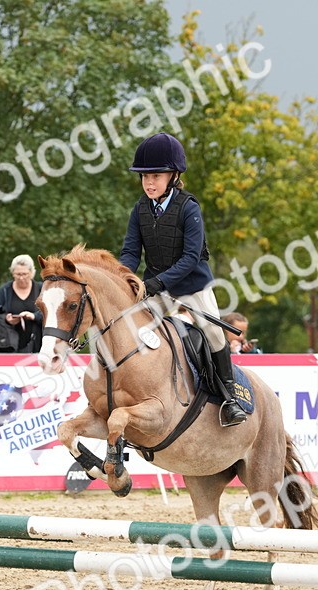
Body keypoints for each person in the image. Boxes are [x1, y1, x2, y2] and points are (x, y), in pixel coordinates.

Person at [118, 131, 246, 426]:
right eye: (145, 176)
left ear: (173, 176)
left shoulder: (189, 208)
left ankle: (229, 398)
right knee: (132, 329)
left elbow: (190, 258)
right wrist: (125, 278)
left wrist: (157, 283)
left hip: (192, 286)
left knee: (214, 333)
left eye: (156, 176)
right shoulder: (139, 209)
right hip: (155, 288)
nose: (149, 182)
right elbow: (130, 252)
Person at [0, 255, 43, 353]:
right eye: (18, 274)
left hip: (37, 344)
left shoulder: (41, 289)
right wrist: (6, 319)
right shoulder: (4, 290)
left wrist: (34, 316)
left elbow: (51, 314)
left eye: (25, 274)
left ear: (31, 273)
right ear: (12, 273)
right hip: (8, 345)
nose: (21, 278)